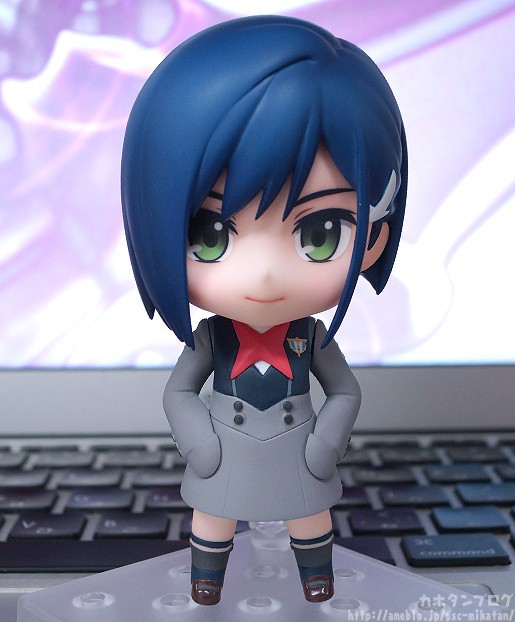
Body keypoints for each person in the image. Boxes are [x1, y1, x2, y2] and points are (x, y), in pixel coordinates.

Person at [121, 14, 407, 606]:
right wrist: (200, 445)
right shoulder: (211, 339)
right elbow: (179, 393)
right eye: (210, 234)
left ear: (373, 237)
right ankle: (206, 581)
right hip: (225, 452)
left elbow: (344, 391)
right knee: (213, 517)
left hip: (298, 451)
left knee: (309, 517)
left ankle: (317, 579)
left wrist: (326, 443)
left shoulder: (312, 338)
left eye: (321, 233)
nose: (265, 275)